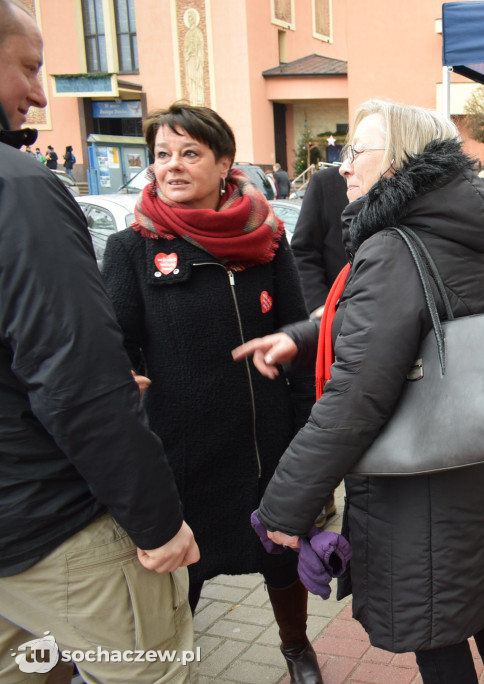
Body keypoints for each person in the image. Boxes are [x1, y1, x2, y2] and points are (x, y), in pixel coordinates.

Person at [235, 100, 484, 684]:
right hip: (477, 454)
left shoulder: (393, 246)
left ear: (398, 161)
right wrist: (302, 338)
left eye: (356, 151)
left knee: (435, 624)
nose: (342, 166)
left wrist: (286, 506)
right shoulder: (449, 230)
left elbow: (355, 398)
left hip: (423, 477)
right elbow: (397, 322)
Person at [0, 3, 199, 682]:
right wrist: (156, 521)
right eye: (28, 67)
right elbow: (75, 378)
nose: (39, 93)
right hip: (55, 525)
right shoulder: (20, 191)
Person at [100, 102, 322, 683]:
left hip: (262, 446)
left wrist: (305, 437)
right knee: (181, 576)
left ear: (224, 163)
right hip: (179, 453)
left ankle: (297, 648)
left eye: (189, 153)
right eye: (162, 155)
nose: (172, 167)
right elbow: (115, 346)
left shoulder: (267, 241)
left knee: (279, 557)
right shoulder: (132, 250)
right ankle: (174, 661)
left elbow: (297, 340)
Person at [290, 165, 350, 315]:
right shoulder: (327, 182)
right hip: (335, 315)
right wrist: (320, 305)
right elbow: (303, 250)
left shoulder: (408, 183)